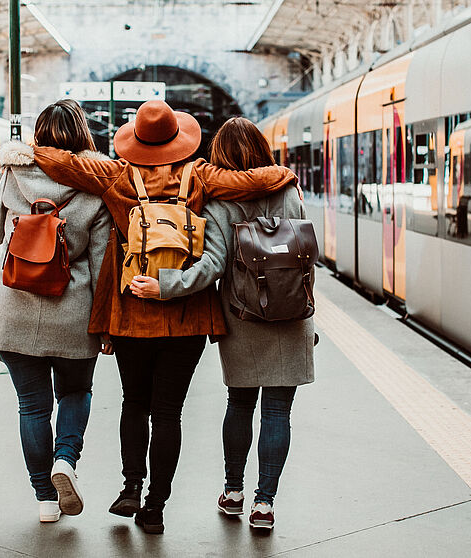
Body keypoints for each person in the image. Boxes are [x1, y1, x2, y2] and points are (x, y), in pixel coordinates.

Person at [29, 100, 298, 534]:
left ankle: (130, 488)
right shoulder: (200, 175)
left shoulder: (115, 174)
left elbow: (63, 164)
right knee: (169, 412)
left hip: (132, 308)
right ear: (179, 138)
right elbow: (249, 181)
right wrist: (282, 174)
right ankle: (155, 507)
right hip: (187, 314)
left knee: (134, 403)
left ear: (135, 139)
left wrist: (28, 150)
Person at [129, 117, 315, 531]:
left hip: (244, 315)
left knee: (241, 404)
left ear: (220, 157)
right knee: (278, 411)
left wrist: (164, 286)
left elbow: (212, 265)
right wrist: (303, 308)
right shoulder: (289, 189)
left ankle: (233, 493)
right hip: (291, 315)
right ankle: (264, 504)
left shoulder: (219, 201)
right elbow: (305, 255)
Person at [0, 99, 112, 524]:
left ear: (37, 135)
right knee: (75, 392)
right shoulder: (95, 181)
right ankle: (65, 460)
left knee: (32, 407)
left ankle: (45, 500)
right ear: (83, 135)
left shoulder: (13, 171)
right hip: (73, 312)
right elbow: (100, 262)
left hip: (15, 310)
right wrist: (105, 323)